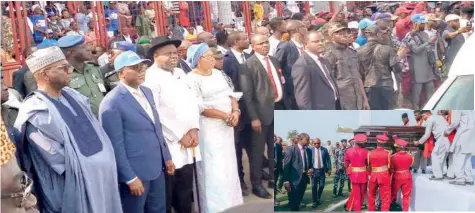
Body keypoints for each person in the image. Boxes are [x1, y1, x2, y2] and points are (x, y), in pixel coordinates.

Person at [14, 46, 123, 213]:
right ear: (45, 74)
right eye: (63, 68)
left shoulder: (73, 96)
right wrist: (93, 169)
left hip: (103, 182)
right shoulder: (36, 111)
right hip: (77, 187)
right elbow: (57, 159)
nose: (69, 70)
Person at [99, 50, 173, 213]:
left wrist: (166, 157)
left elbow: (156, 128)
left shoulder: (147, 92)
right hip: (136, 174)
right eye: (135, 68)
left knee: (158, 209)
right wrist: (129, 177)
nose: (141, 70)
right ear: (121, 73)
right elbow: (115, 146)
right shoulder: (111, 103)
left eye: (142, 66)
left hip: (156, 168)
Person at [143, 36, 201, 213]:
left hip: (189, 140)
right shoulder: (150, 78)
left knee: (185, 192)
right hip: (169, 145)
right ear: (155, 55)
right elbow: (155, 113)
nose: (174, 57)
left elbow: (192, 102)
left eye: (175, 53)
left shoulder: (180, 73)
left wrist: (194, 129)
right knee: (169, 193)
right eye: (168, 54)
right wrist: (179, 135)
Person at [185, 43, 243, 212]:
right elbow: (199, 106)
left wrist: (236, 111)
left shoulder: (219, 74)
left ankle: (233, 204)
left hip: (227, 127)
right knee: (214, 168)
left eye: (214, 56)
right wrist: (225, 116)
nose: (213, 60)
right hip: (209, 129)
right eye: (208, 57)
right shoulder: (191, 79)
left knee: (229, 166)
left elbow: (231, 94)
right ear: (197, 60)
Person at [240, 34, 290, 199]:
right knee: (257, 151)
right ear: (253, 46)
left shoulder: (274, 61)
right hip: (260, 115)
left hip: (278, 108)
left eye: (266, 42)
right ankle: (256, 184)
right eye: (260, 44)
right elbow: (247, 95)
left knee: (275, 147)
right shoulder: (248, 65)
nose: (264, 46)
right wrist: (254, 117)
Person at [57, 35, 106, 116]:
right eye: (83, 47)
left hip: (104, 118)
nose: (88, 49)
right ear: (72, 53)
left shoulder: (94, 68)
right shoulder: (63, 74)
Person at [357, 25, 403, 110]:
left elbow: (359, 73)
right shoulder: (387, 49)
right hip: (386, 85)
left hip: (368, 86)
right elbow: (397, 68)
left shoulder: (358, 51)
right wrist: (399, 57)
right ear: (378, 34)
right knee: (387, 113)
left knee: (374, 115)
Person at [325, 23, 369, 110]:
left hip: (358, 99)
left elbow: (358, 77)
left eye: (345, 32)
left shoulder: (351, 52)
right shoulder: (329, 54)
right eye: (339, 33)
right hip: (342, 100)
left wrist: (365, 99)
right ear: (331, 36)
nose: (344, 35)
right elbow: (328, 81)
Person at [292, 31, 340, 110]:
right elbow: (302, 97)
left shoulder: (324, 60)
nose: (321, 43)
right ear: (306, 44)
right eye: (316, 41)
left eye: (322, 40)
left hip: (333, 105)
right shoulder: (302, 65)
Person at [275, 20, 307, 109]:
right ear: (297, 30)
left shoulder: (305, 45)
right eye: (303, 27)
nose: (306, 29)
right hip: (293, 90)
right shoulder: (285, 47)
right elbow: (276, 66)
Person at [407, 14, 437, 109]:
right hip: (418, 68)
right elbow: (416, 50)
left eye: (424, 23)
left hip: (427, 66)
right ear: (416, 23)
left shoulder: (425, 34)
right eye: (422, 24)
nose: (424, 25)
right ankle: (416, 111)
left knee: (431, 91)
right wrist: (428, 42)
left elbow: (428, 48)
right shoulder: (410, 35)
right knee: (417, 94)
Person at [415, 110, 450, 180]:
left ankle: (438, 176)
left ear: (428, 114)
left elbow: (427, 134)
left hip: (441, 139)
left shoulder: (430, 119)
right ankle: (439, 173)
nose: (422, 118)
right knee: (441, 158)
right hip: (447, 139)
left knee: (434, 155)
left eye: (423, 116)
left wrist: (418, 142)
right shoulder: (439, 117)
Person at [282, 133, 312, 211]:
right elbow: (286, 166)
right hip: (294, 180)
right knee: (294, 202)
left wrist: (310, 169)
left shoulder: (308, 150)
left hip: (304, 178)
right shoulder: (291, 149)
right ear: (301, 139)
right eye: (307, 140)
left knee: (299, 199)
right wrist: (286, 181)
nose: (309, 141)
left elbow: (309, 164)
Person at [444, 111, 475, 186]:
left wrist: (447, 131)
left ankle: (460, 178)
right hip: (471, 136)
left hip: (463, 134)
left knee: (458, 157)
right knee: (467, 158)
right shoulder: (470, 110)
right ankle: (468, 178)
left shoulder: (457, 108)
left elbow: (455, 121)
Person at [344, 134, 369, 212]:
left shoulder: (348, 150)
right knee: (362, 194)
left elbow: (346, 164)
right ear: (362, 143)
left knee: (356, 195)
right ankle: (357, 209)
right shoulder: (366, 152)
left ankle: (356, 208)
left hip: (353, 175)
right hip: (363, 175)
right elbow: (368, 164)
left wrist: (349, 173)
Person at [368, 134, 391, 211]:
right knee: (385, 197)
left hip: (373, 176)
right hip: (384, 176)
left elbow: (368, 166)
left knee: (371, 195)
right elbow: (390, 166)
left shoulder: (370, 153)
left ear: (376, 142)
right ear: (384, 143)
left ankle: (371, 210)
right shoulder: (388, 153)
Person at [390, 138, 414, 212]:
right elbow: (410, 165)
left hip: (396, 176)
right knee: (406, 196)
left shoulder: (392, 157)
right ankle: (405, 210)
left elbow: (391, 167)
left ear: (398, 147)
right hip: (407, 175)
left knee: (392, 194)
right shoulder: (410, 156)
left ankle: (389, 208)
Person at [309, 138, 331, 208]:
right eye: (315, 143)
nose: (316, 145)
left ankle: (318, 198)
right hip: (314, 171)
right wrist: (309, 169)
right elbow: (308, 160)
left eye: (318, 143)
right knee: (314, 186)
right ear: (313, 144)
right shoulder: (310, 150)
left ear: (320, 143)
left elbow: (328, 159)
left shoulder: (324, 149)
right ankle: (314, 201)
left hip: (322, 170)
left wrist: (329, 169)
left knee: (321, 186)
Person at [274, 135, 283, 206]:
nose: (274, 138)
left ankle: (275, 197)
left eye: (275, 137)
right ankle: (274, 199)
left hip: (278, 167)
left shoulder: (279, 146)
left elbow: (280, 157)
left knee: (275, 181)